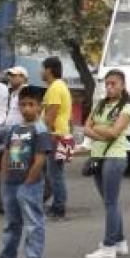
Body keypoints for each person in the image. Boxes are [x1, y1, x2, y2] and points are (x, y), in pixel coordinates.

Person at [0, 87, 51, 258]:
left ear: (39, 107)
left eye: (31, 104)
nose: (26, 108)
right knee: (11, 224)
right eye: (23, 104)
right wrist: (4, 178)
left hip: (29, 184)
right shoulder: (13, 129)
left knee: (33, 225)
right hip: (10, 183)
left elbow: (40, 160)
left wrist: (29, 181)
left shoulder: (40, 130)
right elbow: (5, 153)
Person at [82, 70, 130, 258]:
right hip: (98, 157)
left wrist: (95, 129)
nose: (110, 87)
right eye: (107, 84)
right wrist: (99, 131)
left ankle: (108, 246)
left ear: (122, 85)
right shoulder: (100, 105)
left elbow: (114, 133)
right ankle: (120, 242)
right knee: (110, 202)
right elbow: (85, 128)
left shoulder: (127, 108)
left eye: (114, 83)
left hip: (114, 157)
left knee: (111, 202)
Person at [41, 56, 72, 221]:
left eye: (42, 68)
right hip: (63, 134)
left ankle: (59, 209)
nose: (40, 72)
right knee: (57, 173)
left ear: (48, 70)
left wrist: (43, 134)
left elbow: (50, 116)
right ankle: (57, 206)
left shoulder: (54, 88)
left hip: (55, 136)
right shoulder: (62, 86)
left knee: (55, 174)